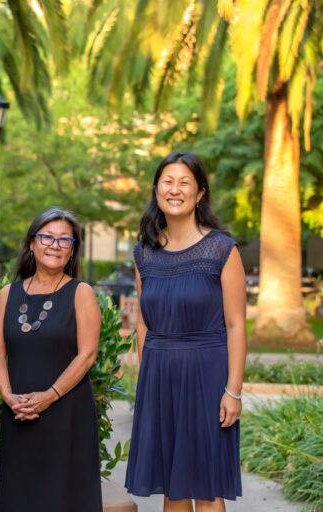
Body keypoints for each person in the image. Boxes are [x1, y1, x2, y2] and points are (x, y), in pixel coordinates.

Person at [125, 152, 246, 511]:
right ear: (156, 190)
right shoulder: (143, 253)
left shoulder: (222, 249)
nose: (174, 189)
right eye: (167, 181)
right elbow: (145, 322)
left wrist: (233, 391)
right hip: (160, 376)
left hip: (207, 375)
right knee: (173, 490)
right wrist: (148, 379)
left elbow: (236, 324)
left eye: (184, 183)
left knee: (206, 490)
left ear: (200, 194)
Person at [0, 207, 103, 512]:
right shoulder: (6, 295)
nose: (55, 245)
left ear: (73, 250)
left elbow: (87, 354)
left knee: (64, 498)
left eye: (65, 240)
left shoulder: (81, 293)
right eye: (47, 237)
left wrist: (49, 396)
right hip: (20, 413)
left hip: (67, 416)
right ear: (31, 243)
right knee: (20, 497)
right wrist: (9, 397)